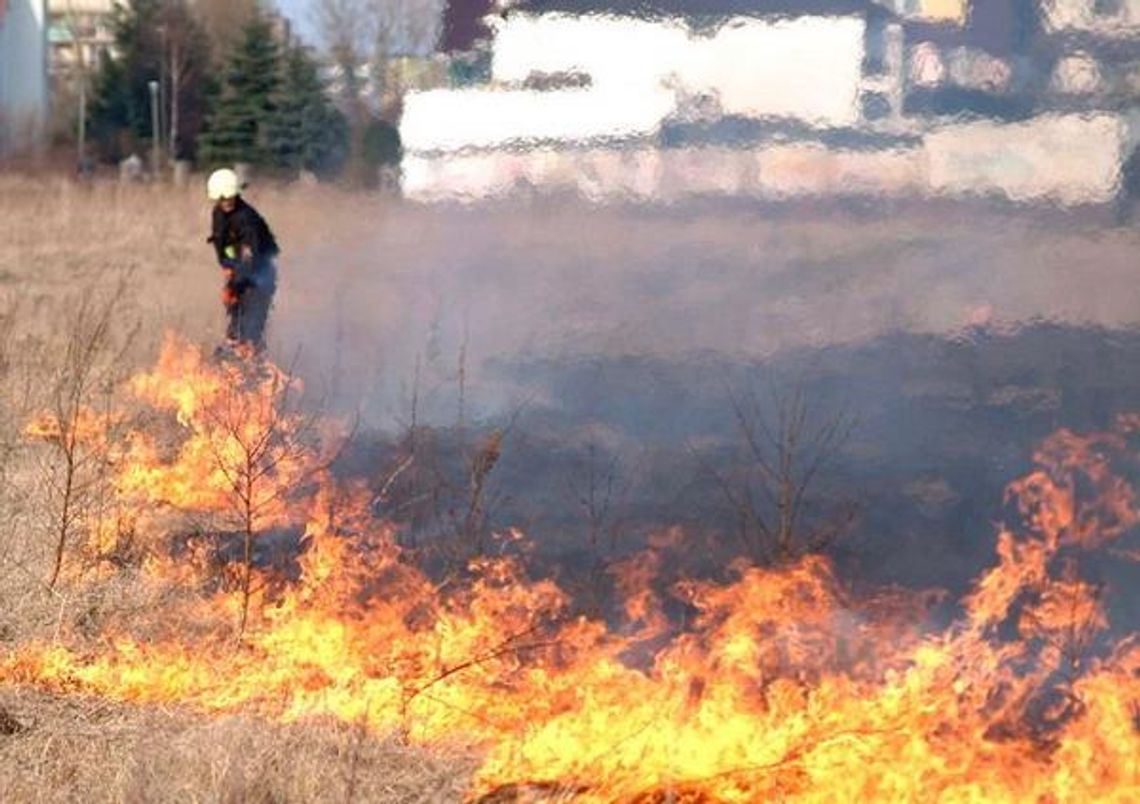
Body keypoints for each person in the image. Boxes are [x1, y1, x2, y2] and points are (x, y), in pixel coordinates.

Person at [206, 168, 280, 356]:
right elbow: (221, 245)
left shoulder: (247, 219)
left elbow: (250, 260)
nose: (226, 202)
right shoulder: (218, 215)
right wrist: (228, 270)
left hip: (258, 278)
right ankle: (232, 360)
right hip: (238, 274)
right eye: (222, 199)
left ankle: (254, 369)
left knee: (250, 331)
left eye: (230, 197)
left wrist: (233, 285)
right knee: (235, 327)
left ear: (236, 194)